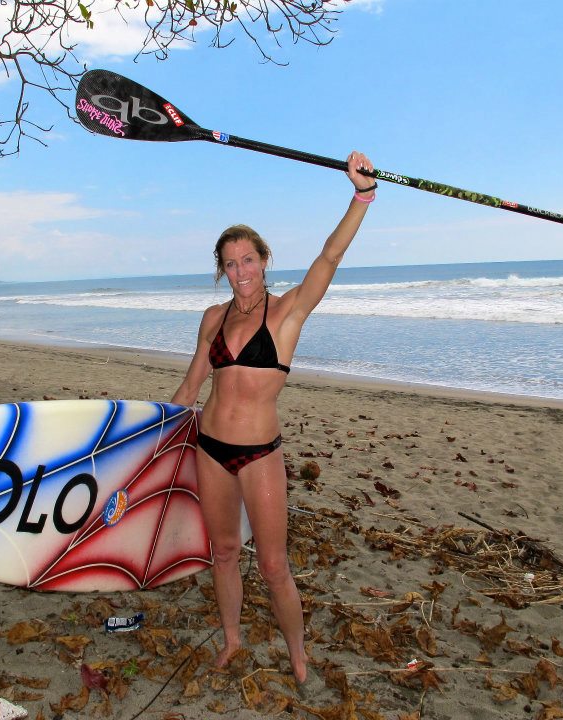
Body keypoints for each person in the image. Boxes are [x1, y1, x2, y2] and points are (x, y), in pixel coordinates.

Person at [171, 151, 377, 689]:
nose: (241, 271)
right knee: (223, 553)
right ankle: (234, 639)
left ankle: (298, 652)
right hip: (209, 448)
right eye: (230, 263)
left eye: (249, 260)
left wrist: (360, 197)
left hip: (260, 453)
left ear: (265, 259)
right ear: (222, 270)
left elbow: (328, 259)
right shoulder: (212, 318)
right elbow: (192, 386)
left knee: (273, 565)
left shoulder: (287, 312)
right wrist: (151, 434)